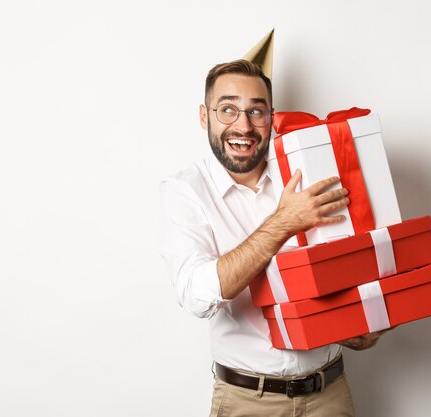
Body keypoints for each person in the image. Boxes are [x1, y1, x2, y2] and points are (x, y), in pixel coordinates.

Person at [158, 59, 384, 417]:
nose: (243, 126)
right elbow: (196, 296)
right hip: (248, 401)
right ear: (205, 116)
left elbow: (352, 267)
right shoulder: (185, 190)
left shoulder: (307, 170)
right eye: (227, 109)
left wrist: (366, 321)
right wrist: (283, 222)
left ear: (272, 118)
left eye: (256, 112)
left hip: (330, 394)